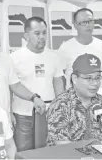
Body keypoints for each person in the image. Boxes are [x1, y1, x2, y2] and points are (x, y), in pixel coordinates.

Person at [10, 16, 65, 151]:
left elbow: (58, 83)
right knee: (25, 153)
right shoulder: (14, 58)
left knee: (48, 153)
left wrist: (61, 108)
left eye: (44, 32)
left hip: (49, 115)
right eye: (37, 33)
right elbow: (13, 86)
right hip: (24, 115)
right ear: (26, 35)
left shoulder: (54, 56)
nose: (42, 37)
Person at [46, 53, 102, 146]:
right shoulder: (61, 105)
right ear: (74, 78)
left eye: (98, 78)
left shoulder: (101, 101)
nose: (94, 83)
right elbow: (62, 146)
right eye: (88, 78)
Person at [57, 8, 102, 87]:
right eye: (83, 22)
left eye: (90, 21)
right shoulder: (65, 48)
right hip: (73, 97)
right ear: (75, 25)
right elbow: (60, 77)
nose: (88, 25)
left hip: (96, 96)